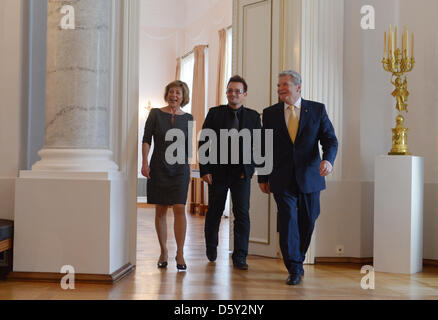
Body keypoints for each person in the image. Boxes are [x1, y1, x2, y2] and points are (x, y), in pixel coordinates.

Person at [258, 70, 338, 285]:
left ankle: (298, 258)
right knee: (288, 221)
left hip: (310, 176)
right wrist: (262, 177)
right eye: (279, 85)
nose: (280, 88)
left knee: (308, 220)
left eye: (285, 84)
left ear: (298, 87)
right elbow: (263, 147)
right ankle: (293, 267)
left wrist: (328, 161)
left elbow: (330, 140)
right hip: (281, 177)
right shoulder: (270, 112)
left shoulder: (317, 109)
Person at [199, 75, 261, 270]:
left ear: (244, 95)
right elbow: (204, 142)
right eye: (230, 90)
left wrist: (249, 171)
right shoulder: (214, 113)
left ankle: (240, 256)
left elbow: (258, 145)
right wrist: (205, 169)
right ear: (226, 93)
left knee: (242, 214)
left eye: (237, 91)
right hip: (217, 172)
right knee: (214, 212)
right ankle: (211, 248)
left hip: (241, 174)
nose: (233, 94)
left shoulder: (253, 116)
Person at [141, 80, 194, 271]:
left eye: (178, 93)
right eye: (171, 92)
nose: (174, 95)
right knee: (161, 210)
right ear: (167, 94)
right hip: (158, 167)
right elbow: (146, 139)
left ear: (183, 97)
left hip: (180, 170)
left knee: (180, 208)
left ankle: (180, 253)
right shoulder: (155, 113)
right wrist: (145, 162)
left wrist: (188, 170)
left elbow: (188, 147)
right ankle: (163, 251)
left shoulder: (188, 118)